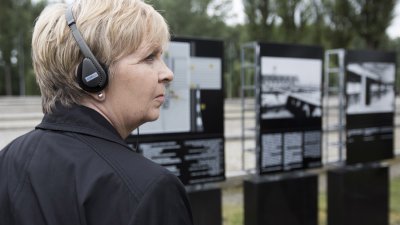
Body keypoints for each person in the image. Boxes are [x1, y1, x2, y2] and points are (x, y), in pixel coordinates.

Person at [0, 0, 193, 224]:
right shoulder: (150, 190)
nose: (167, 74)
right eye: (149, 57)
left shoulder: (6, 161)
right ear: (93, 76)